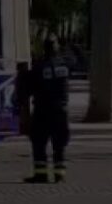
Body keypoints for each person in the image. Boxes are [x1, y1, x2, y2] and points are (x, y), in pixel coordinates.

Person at [19, 35, 71, 183]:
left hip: (43, 110)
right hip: (61, 110)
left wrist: (22, 76)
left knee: (39, 142)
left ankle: (41, 174)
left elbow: (28, 88)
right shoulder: (65, 65)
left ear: (45, 49)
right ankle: (59, 173)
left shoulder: (39, 67)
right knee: (59, 143)